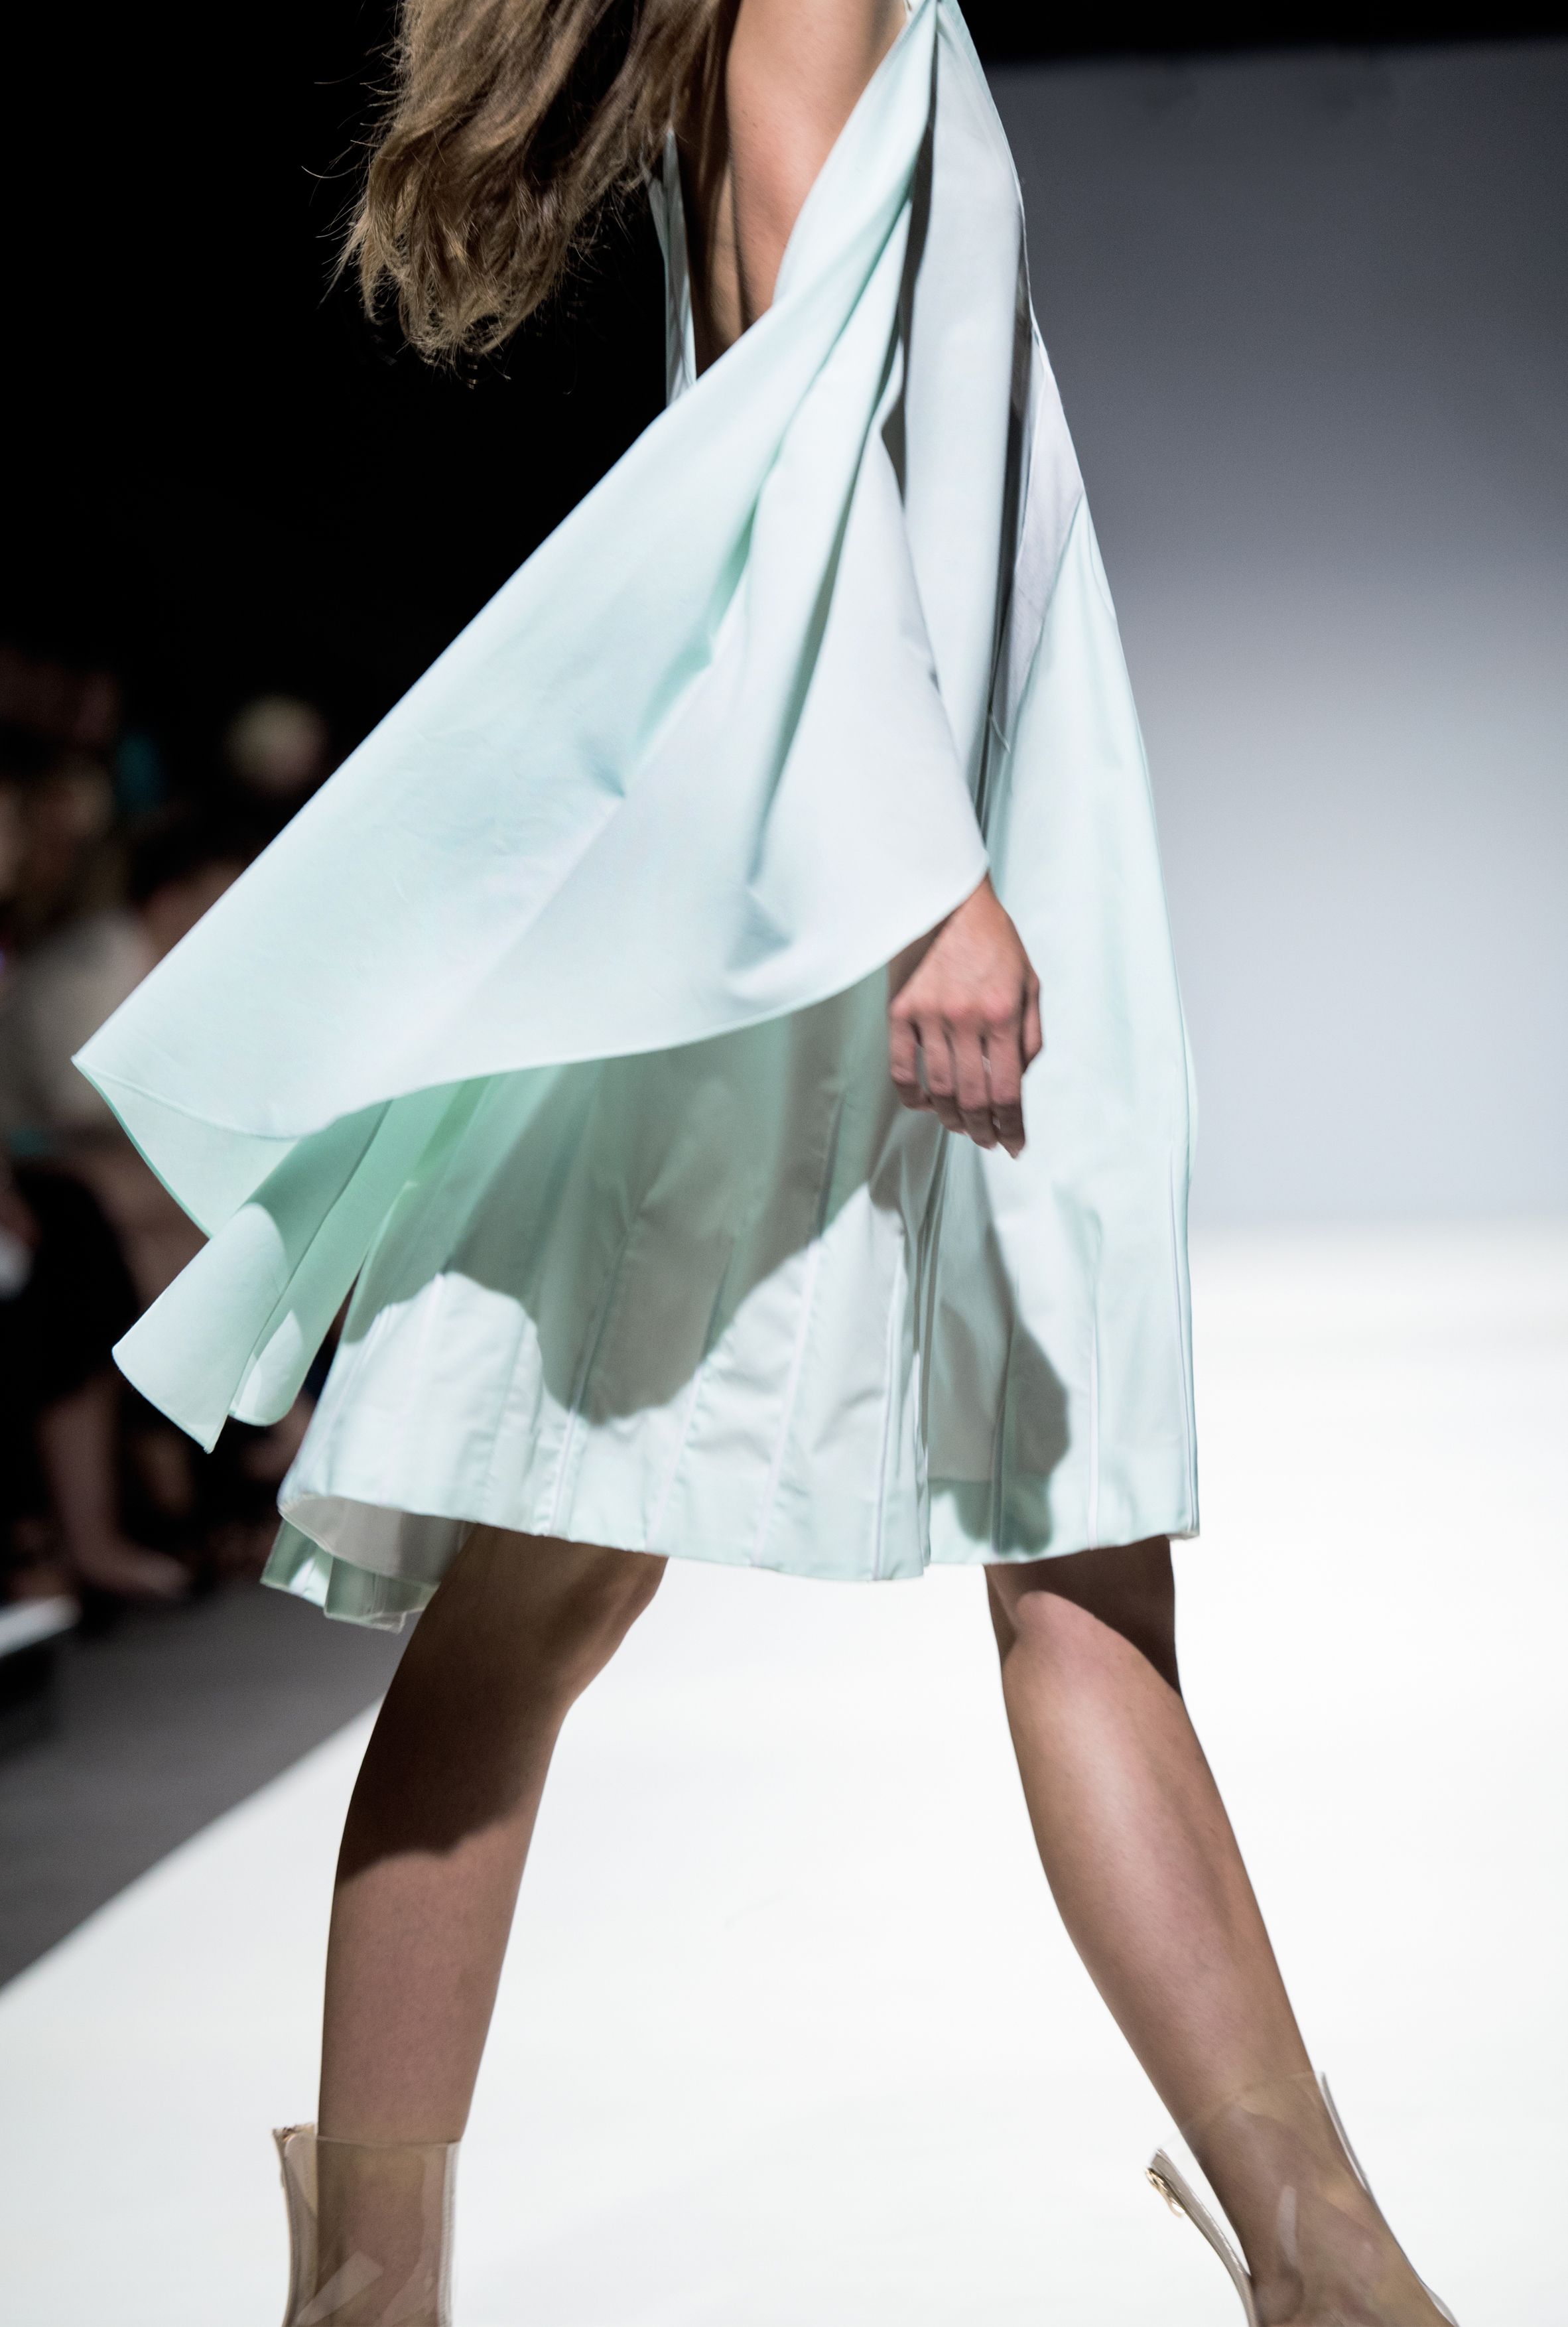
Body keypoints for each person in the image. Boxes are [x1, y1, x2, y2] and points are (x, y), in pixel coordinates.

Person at [76, 4, 1458, 2322]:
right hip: (855, 857)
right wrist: (928, 881)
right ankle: (376, 2288)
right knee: (633, 1577)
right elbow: (804, 425)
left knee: (930, 1559)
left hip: (882, 822)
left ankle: (1330, 2265)